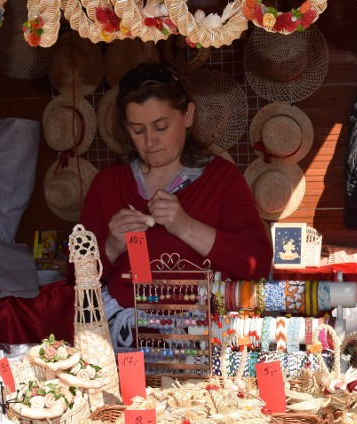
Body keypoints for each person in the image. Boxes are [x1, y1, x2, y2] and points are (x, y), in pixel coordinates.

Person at [80, 63, 272, 346]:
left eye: (161, 126)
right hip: (128, 337)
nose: (150, 142)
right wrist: (111, 246)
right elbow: (77, 276)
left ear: (188, 116)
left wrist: (186, 227)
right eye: (137, 130)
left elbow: (257, 262)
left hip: (206, 338)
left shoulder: (222, 178)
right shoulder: (108, 183)